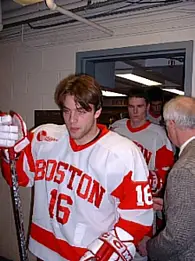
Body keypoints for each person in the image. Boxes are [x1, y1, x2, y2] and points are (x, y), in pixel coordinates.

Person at [0, 74, 153, 261]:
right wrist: (8, 155)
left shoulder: (123, 153)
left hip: (88, 254)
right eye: (67, 111)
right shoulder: (44, 137)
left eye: (81, 111)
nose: (72, 120)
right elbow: (19, 178)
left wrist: (106, 253)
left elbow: (137, 219)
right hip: (44, 251)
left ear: (97, 111)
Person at [145, 96, 195, 261]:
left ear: (172, 124)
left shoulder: (182, 170)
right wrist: (169, 205)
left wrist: (149, 247)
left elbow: (177, 238)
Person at [111, 87, 174, 198]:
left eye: (139, 106)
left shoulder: (159, 135)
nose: (135, 111)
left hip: (142, 197)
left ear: (147, 107)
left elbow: (165, 172)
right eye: (131, 107)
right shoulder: (116, 128)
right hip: (115, 193)